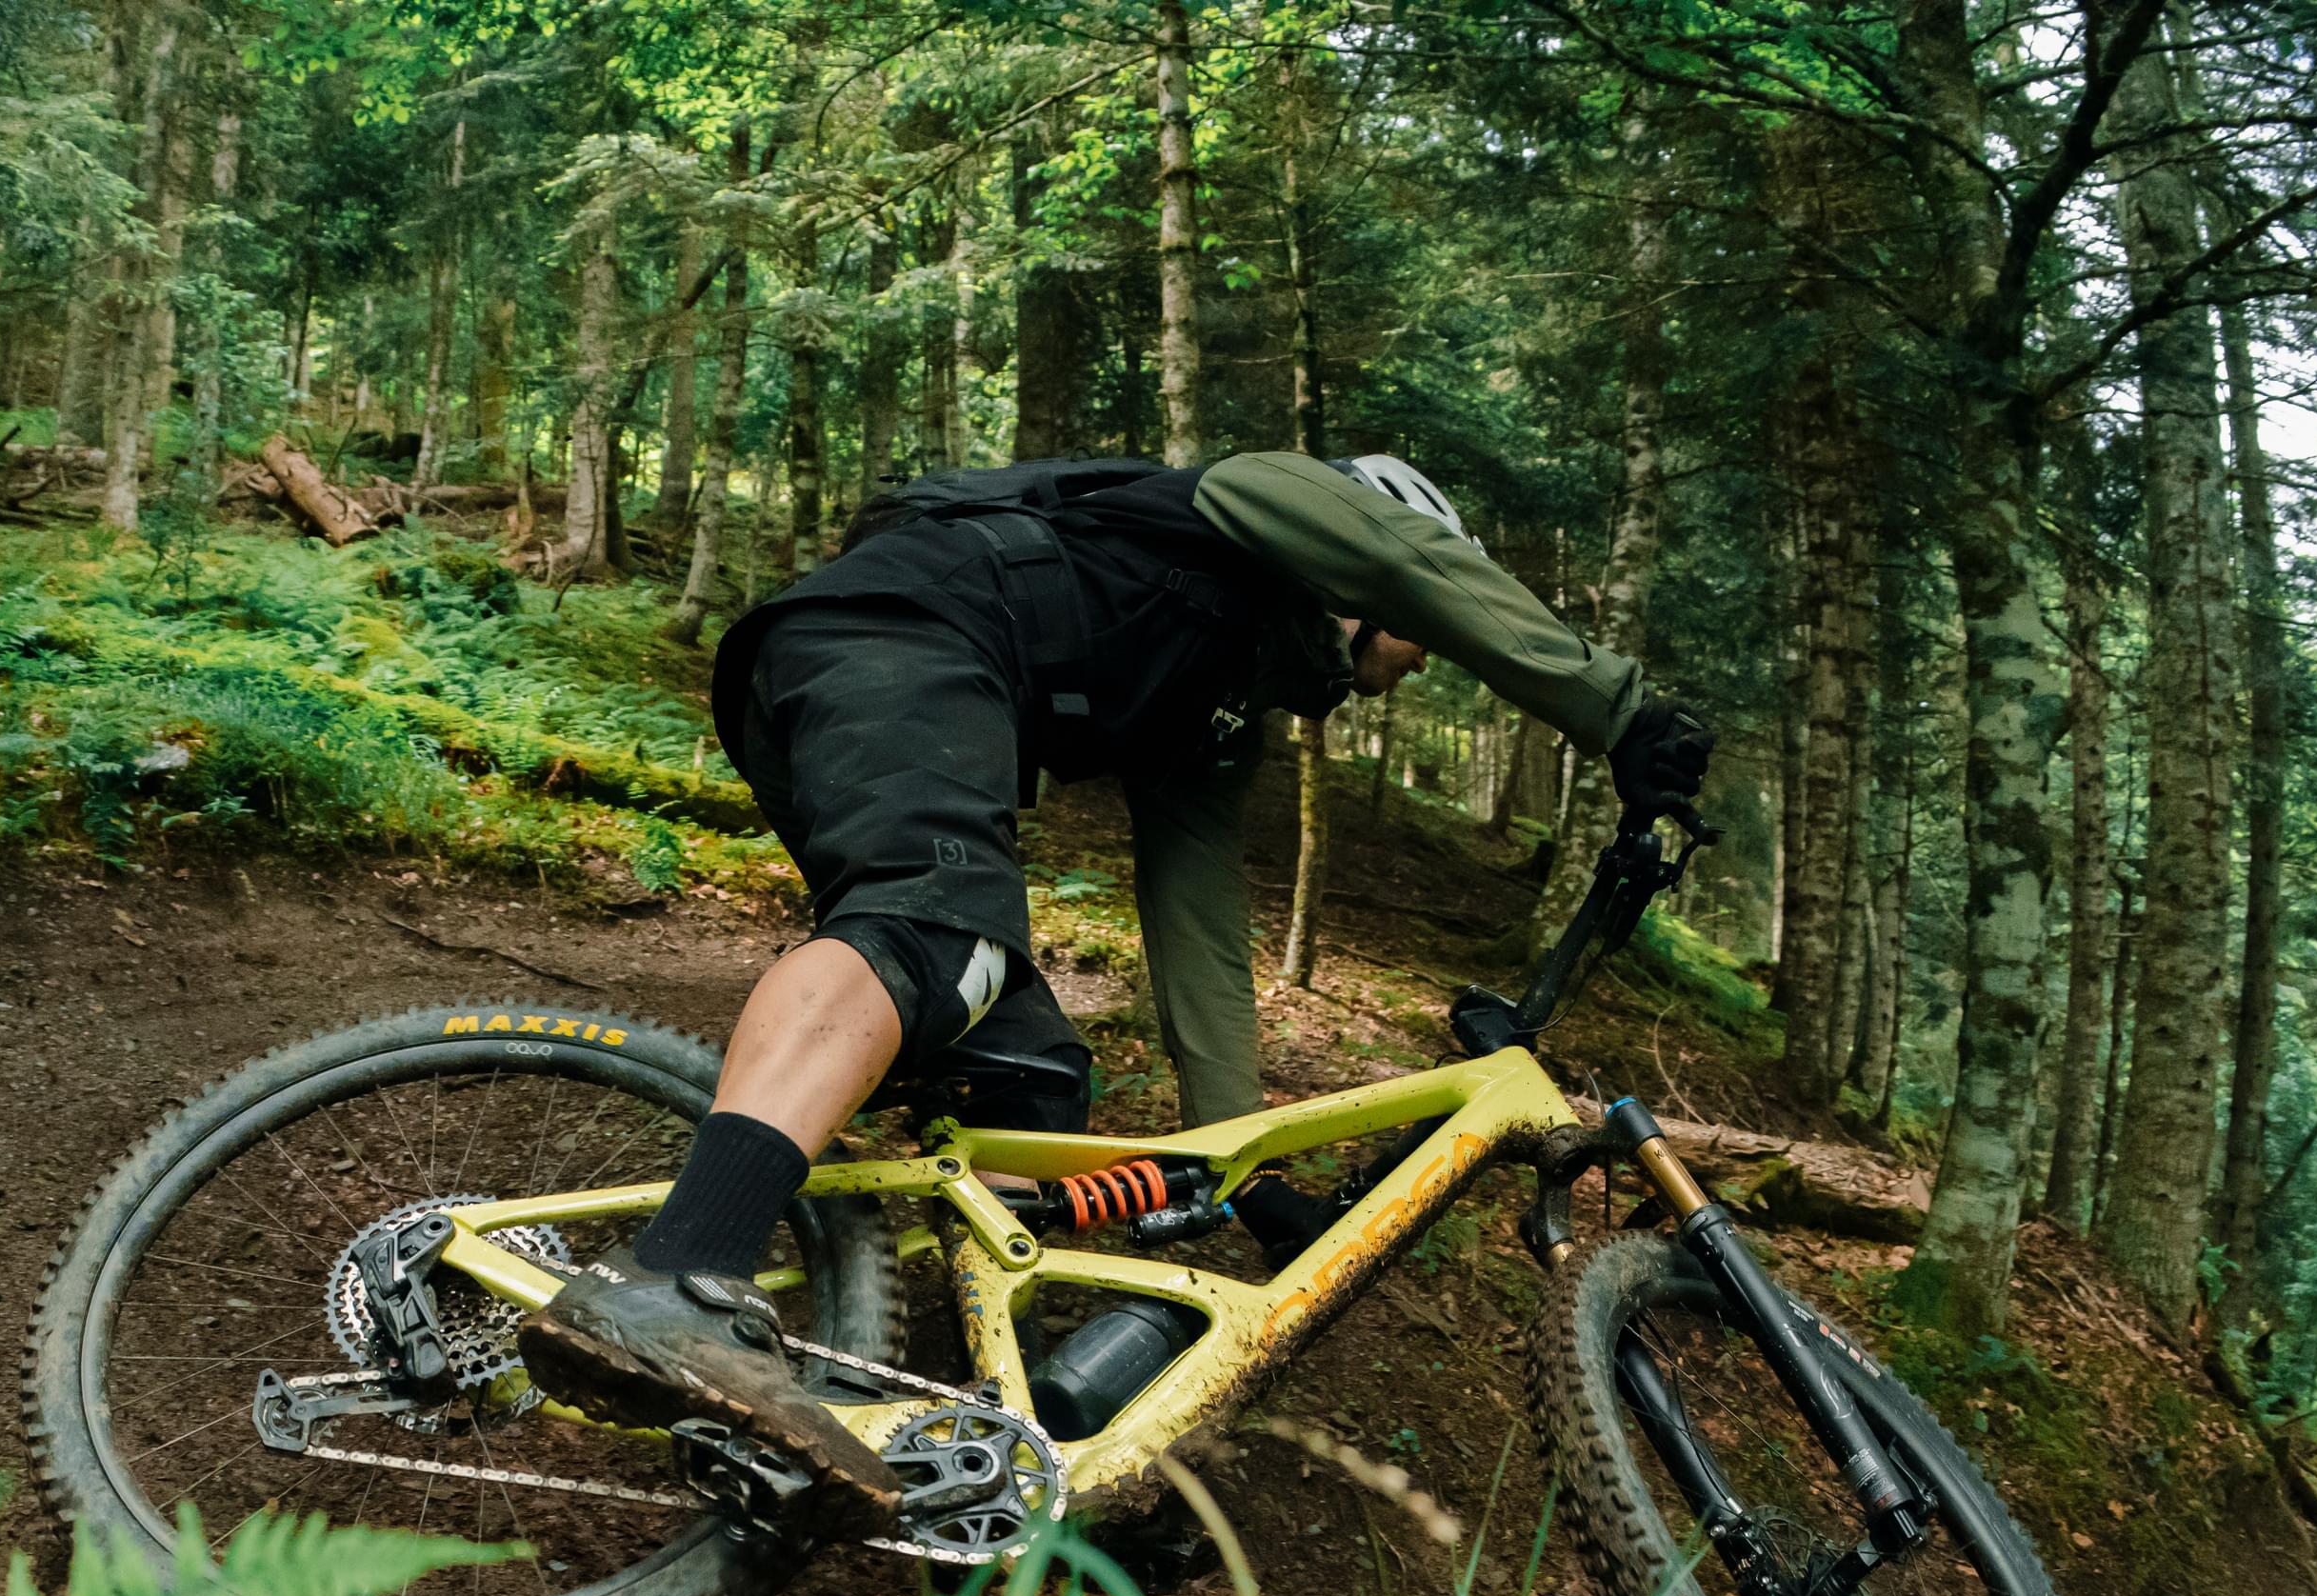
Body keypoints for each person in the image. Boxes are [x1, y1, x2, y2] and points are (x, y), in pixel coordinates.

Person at [517, 449, 1715, 1526]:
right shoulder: (1257, 497)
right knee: (936, 937)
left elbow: (1196, 934)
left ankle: (999, 1453)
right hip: (898, 636)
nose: (1405, 666)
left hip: (867, 676)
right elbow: (1409, 562)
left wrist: (1246, 1164)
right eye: (1410, 634)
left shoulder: (1219, 715)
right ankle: (677, 1268)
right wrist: (1612, 711)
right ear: (1366, 565)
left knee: (1026, 1076)